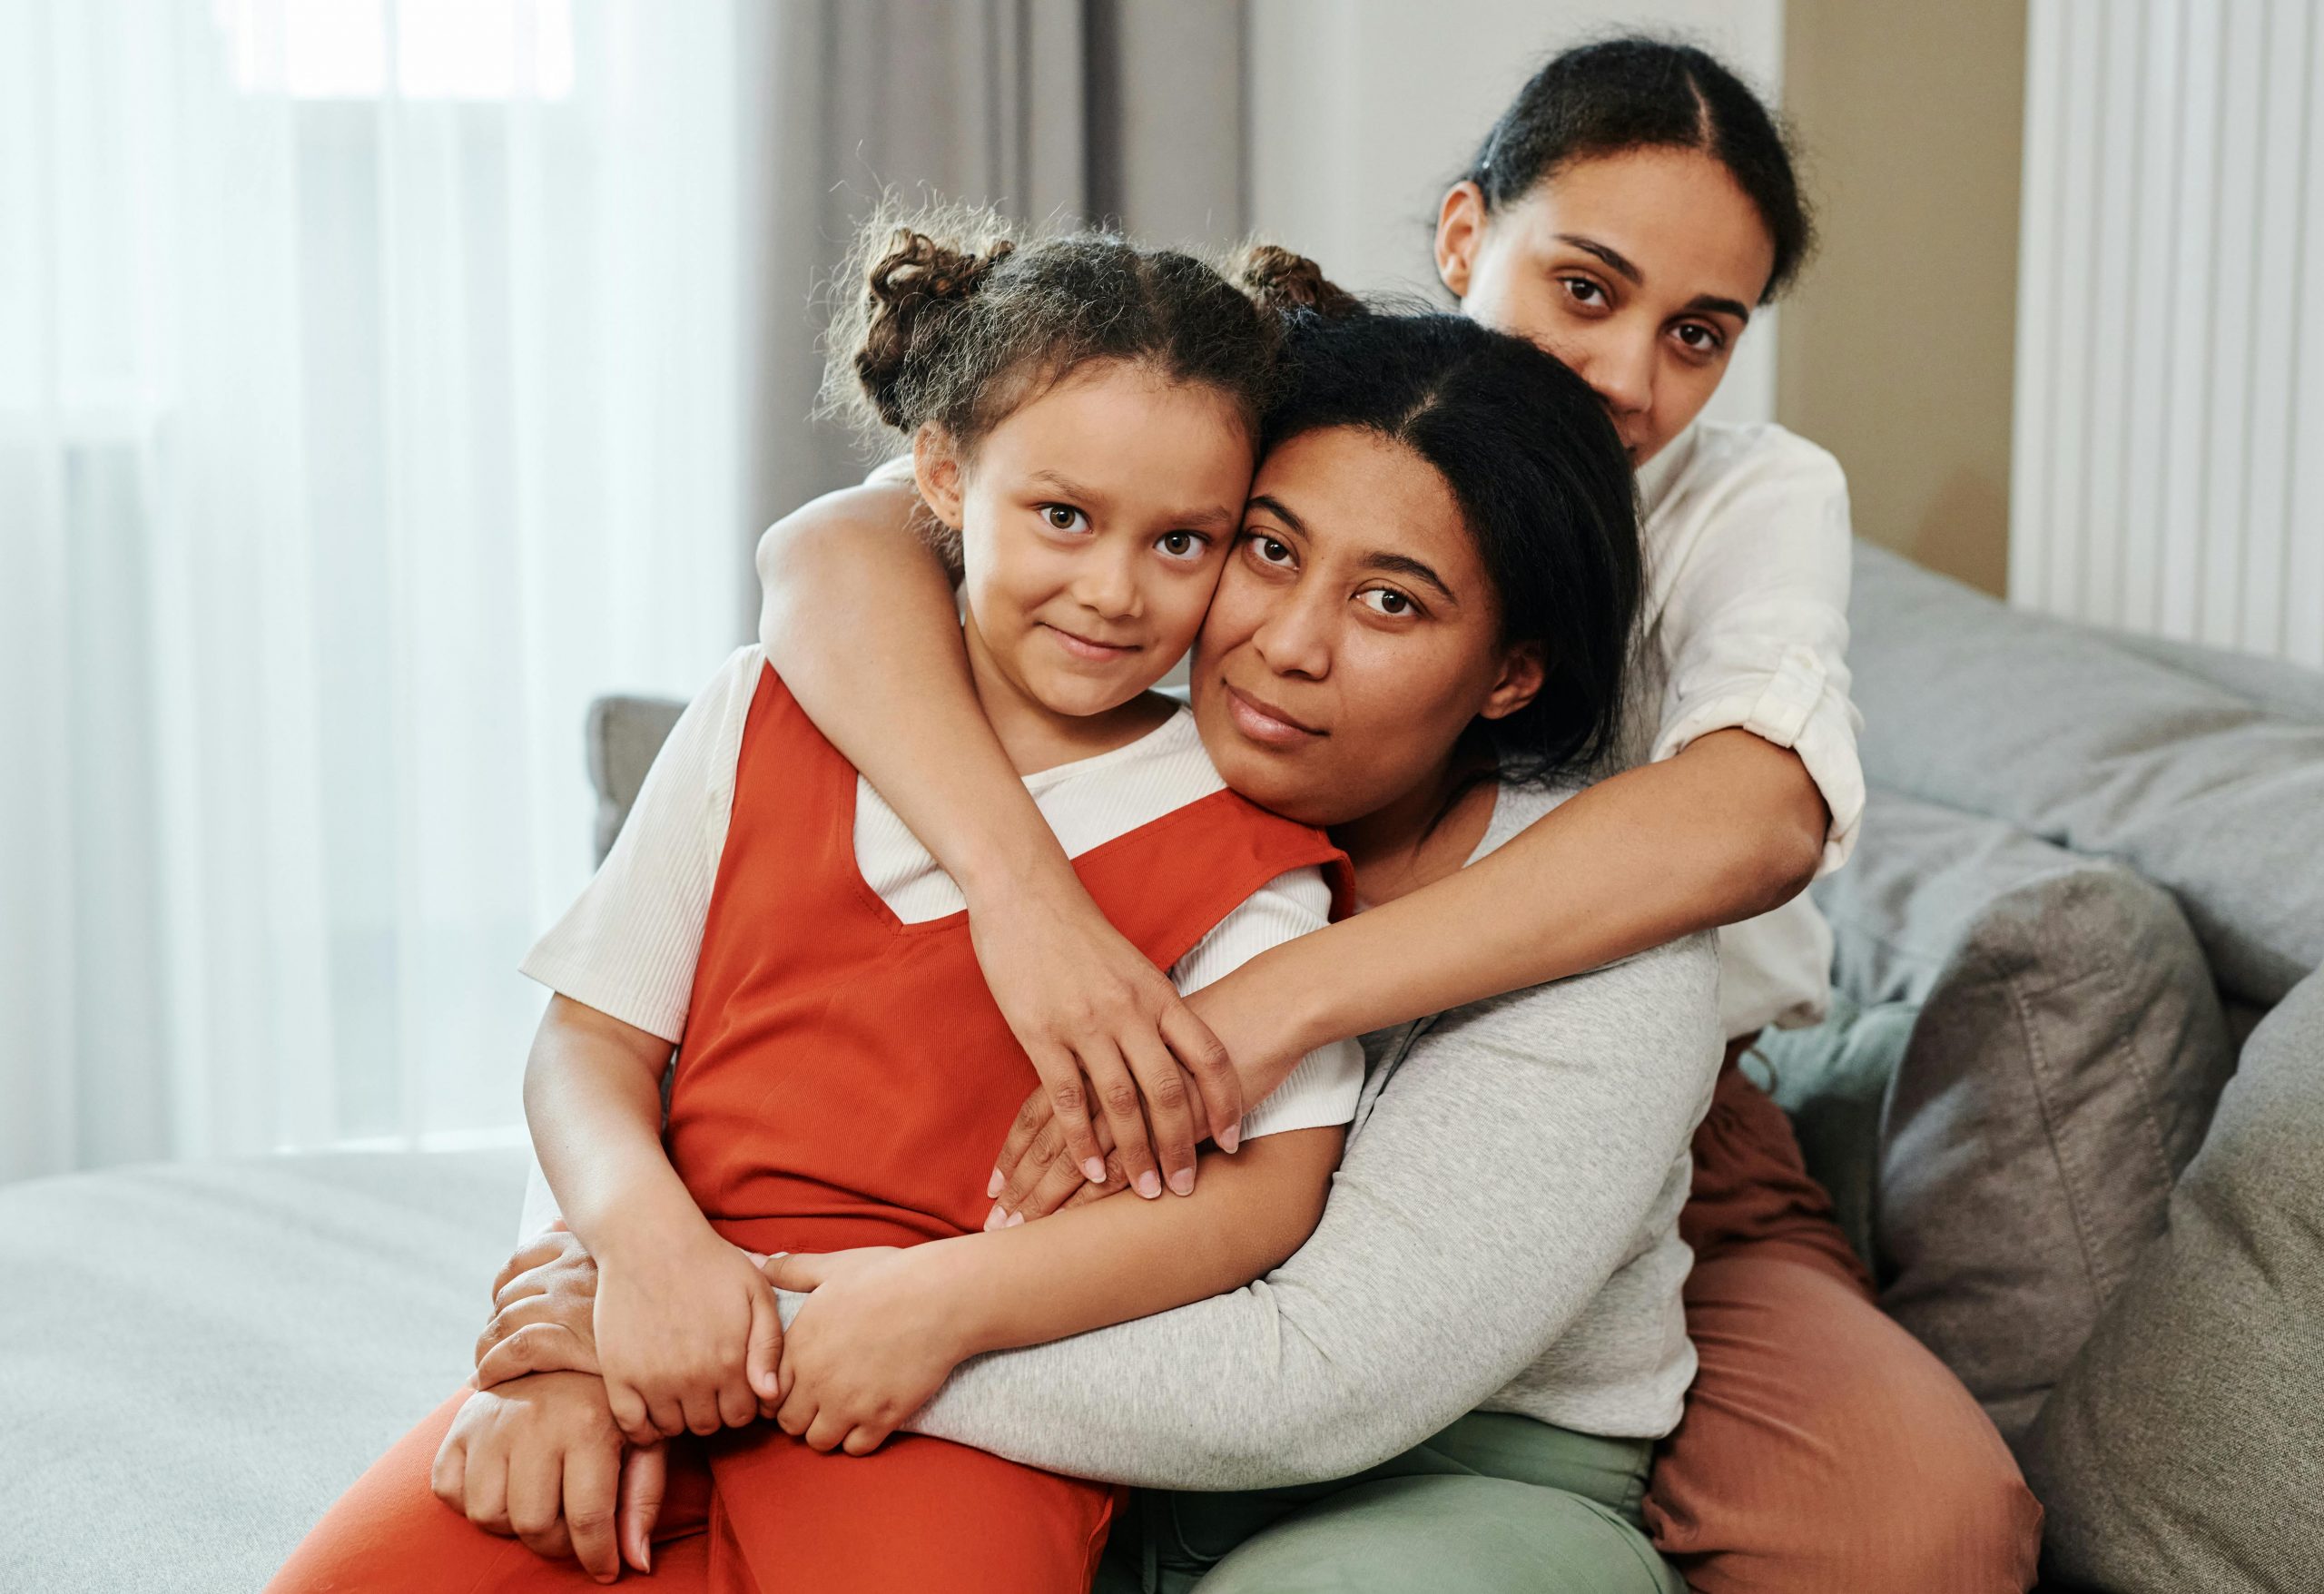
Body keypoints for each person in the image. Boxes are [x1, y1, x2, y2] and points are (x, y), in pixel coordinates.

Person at [726, 35, 2040, 1594]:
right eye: (1586, 287)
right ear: (1468, 235)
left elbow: (1755, 822)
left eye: (1698, 332)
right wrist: (1026, 905)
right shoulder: (1279, 407)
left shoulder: (1746, 507)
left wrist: (777, 1344)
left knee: (1913, 1526)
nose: (1624, 373)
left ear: (1511, 669)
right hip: (1170, 1322)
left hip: (1646, 1144)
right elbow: (844, 546)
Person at [461, 290, 1710, 1594]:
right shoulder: (1090, 749)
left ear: (1511, 672)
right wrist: (612, 1278)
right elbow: (856, 535)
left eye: (1391, 606)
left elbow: (1314, 1383)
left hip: (1439, 1478)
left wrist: (719, 1329)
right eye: (1267, 553)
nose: (1287, 646)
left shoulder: (1608, 954)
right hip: (1068, 1445)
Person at [271, 211, 1384, 1593]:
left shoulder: (1250, 847)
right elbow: (588, 1046)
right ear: (938, 475)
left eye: (1184, 542)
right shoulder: (762, 705)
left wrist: (947, 1312)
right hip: (646, 1343)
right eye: (1061, 517)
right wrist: (631, 1268)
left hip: (935, 1416)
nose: (1113, 589)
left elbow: (1260, 1206)